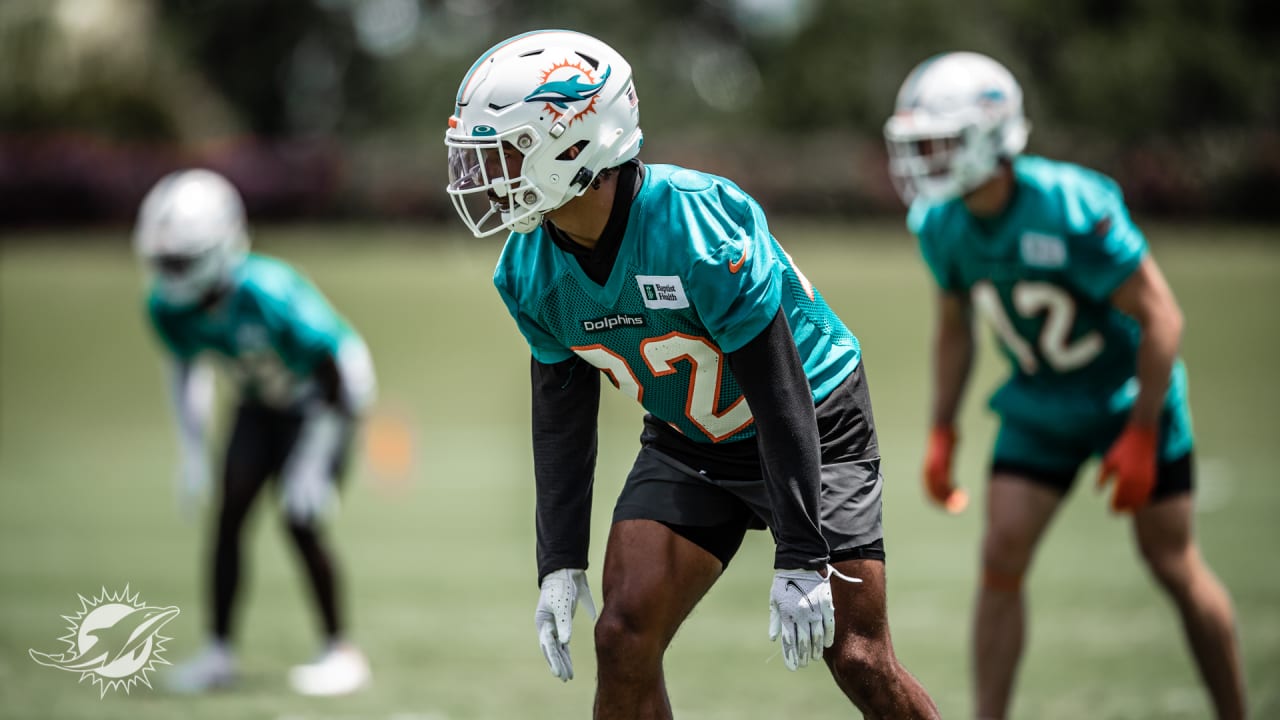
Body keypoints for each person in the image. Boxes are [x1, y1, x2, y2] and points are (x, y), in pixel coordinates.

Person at [444, 29, 939, 719]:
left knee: (856, 653)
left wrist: (800, 550)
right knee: (621, 638)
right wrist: (558, 559)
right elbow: (562, 413)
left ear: (576, 142)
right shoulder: (528, 268)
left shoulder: (693, 222)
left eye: (505, 150)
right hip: (690, 437)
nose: (485, 174)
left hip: (811, 421)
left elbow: (775, 384)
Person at [885, 51, 1247, 719]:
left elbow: (1162, 315)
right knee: (1000, 555)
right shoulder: (941, 223)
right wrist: (944, 426)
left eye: (940, 140)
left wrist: (1141, 431)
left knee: (1171, 561)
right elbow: (955, 327)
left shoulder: (1072, 204)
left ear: (988, 137)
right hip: (1042, 402)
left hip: (1125, 396)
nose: (927, 156)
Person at [134, 169, 376, 696]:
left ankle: (341, 651)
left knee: (300, 518)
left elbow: (341, 370)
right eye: (164, 260)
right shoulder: (167, 308)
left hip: (324, 404)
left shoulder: (268, 292)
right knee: (229, 515)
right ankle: (218, 651)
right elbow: (185, 370)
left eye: (180, 259)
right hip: (260, 403)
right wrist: (192, 452)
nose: (170, 272)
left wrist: (314, 459)